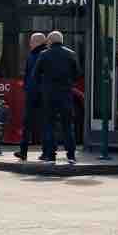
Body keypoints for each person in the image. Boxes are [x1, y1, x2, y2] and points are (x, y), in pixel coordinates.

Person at [34, 30, 80, 164]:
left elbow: (35, 75)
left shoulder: (44, 54)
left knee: (49, 125)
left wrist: (43, 86)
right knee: (68, 126)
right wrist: (68, 83)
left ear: (50, 41)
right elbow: (77, 74)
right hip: (66, 95)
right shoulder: (71, 54)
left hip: (49, 95)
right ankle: (71, 156)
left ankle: (50, 155)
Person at [13, 32, 47, 161]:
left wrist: (27, 88)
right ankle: (46, 152)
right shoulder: (45, 54)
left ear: (37, 42)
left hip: (33, 94)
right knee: (45, 123)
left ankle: (23, 151)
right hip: (44, 94)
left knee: (27, 123)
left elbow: (28, 75)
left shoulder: (33, 56)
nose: (30, 44)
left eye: (32, 41)